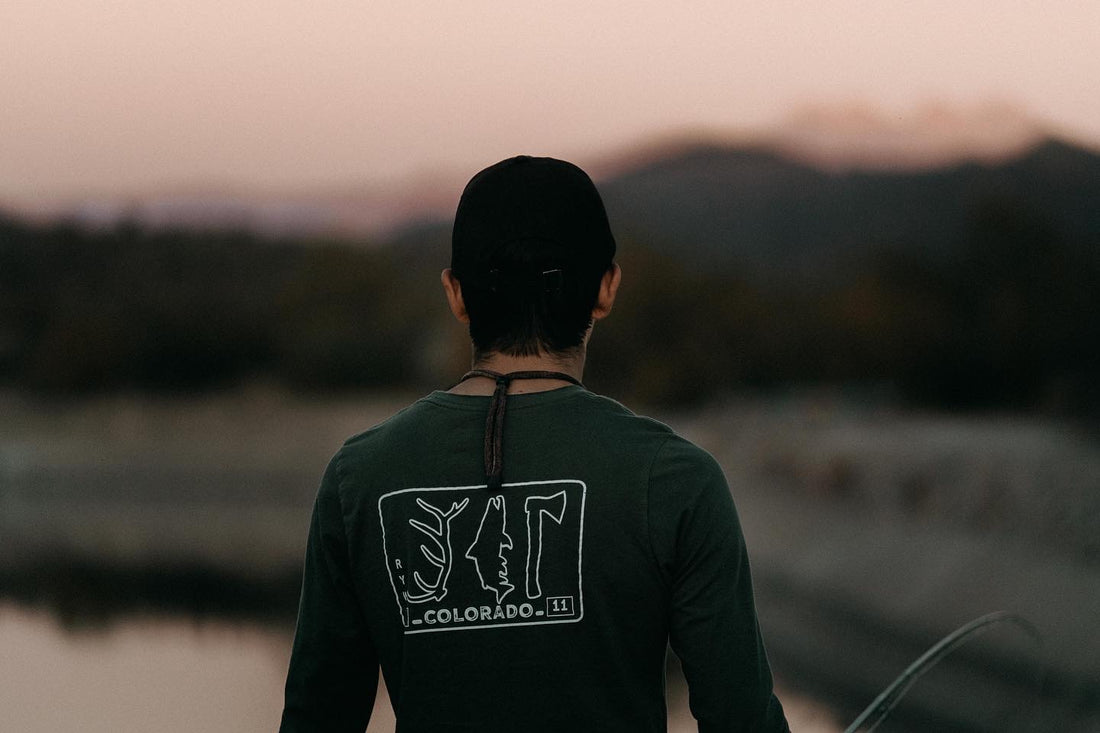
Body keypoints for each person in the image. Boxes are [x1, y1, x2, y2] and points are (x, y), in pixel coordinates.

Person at [279, 155, 790, 732]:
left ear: (456, 295)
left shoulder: (358, 477)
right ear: (606, 288)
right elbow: (742, 719)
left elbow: (315, 719)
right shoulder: (675, 478)